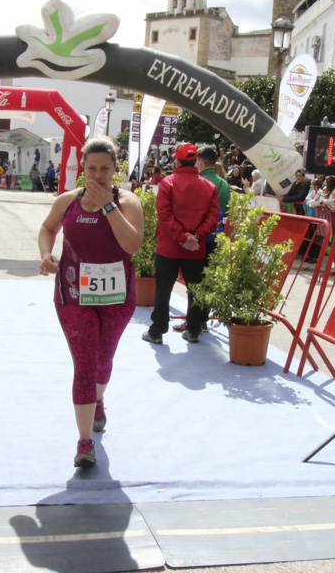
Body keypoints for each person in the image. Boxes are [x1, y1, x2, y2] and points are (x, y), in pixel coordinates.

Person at [37, 137, 143, 468]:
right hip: (73, 295)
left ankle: (98, 401)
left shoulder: (128, 202)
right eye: (92, 168)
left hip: (116, 297)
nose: (98, 176)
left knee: (103, 358)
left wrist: (108, 206)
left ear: (115, 170)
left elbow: (132, 245)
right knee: (84, 363)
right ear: (83, 168)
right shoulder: (68, 201)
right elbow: (47, 228)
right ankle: (85, 443)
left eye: (105, 169)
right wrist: (45, 254)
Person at [143, 143, 219, 345]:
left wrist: (182, 237)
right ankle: (193, 330)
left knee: (163, 289)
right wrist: (195, 236)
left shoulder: (168, 183)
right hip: (196, 248)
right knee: (195, 290)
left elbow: (165, 216)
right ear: (195, 161)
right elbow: (212, 219)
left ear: (176, 160)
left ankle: (157, 331)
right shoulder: (209, 187)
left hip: (169, 246)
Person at [175, 146, 230, 336]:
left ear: (199, 161)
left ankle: (193, 322)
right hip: (215, 236)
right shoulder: (223, 183)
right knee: (207, 281)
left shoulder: (198, 181)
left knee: (194, 283)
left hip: (195, 238)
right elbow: (226, 211)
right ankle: (203, 320)